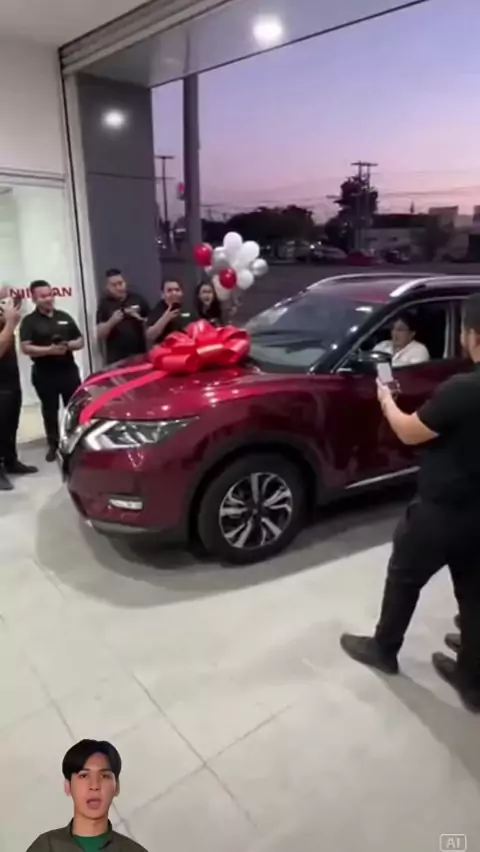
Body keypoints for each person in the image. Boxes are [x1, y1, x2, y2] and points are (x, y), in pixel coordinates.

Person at [340, 293, 480, 713]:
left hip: (441, 510)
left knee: (404, 576)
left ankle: (384, 649)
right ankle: (472, 680)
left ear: (472, 335)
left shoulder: (463, 389)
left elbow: (409, 431)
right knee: (474, 595)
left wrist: (386, 398)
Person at [26, 739, 148, 851]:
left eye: (104, 776)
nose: (94, 786)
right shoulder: (45, 847)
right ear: (68, 786)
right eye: (84, 776)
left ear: (117, 787)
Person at [20, 281, 84, 462]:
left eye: (50, 294)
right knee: (50, 410)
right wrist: (49, 350)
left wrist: (67, 345)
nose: (48, 299)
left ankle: (75, 442)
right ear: (34, 299)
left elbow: (80, 341)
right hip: (44, 373)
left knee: (74, 408)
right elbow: (25, 347)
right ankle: (53, 445)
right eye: (43, 296)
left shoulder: (64, 316)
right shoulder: (29, 321)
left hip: (68, 371)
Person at [0, 292, 38, 490]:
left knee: (10, 426)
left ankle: (11, 462)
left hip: (11, 383)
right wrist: (10, 323)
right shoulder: (7, 324)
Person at [96, 269, 150, 364]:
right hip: (116, 358)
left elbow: (152, 324)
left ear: (125, 283)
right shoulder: (104, 304)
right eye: (114, 285)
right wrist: (111, 322)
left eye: (120, 283)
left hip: (139, 355)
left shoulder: (137, 299)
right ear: (107, 287)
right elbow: (99, 334)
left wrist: (140, 319)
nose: (118, 287)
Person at [146, 279, 194, 345]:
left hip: (185, 346)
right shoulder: (158, 310)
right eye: (169, 290)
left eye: (177, 290)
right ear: (163, 295)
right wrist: (166, 317)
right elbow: (150, 335)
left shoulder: (188, 308)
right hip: (165, 348)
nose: (174, 293)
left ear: (182, 293)